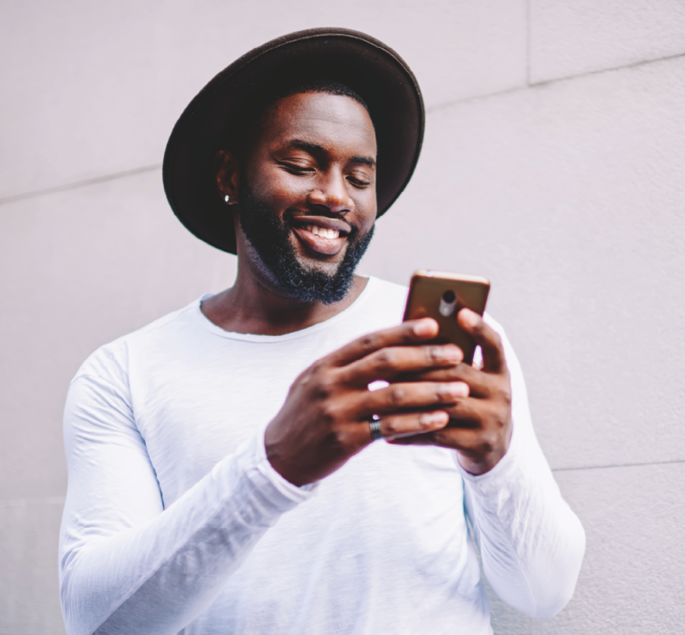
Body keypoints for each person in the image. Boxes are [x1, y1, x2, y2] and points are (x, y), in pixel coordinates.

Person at [59, 28, 585, 635]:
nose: (336, 196)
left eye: (361, 178)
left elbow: (544, 590)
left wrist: (494, 461)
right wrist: (273, 466)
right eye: (302, 165)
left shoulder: (445, 343)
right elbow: (97, 622)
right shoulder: (124, 373)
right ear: (230, 175)